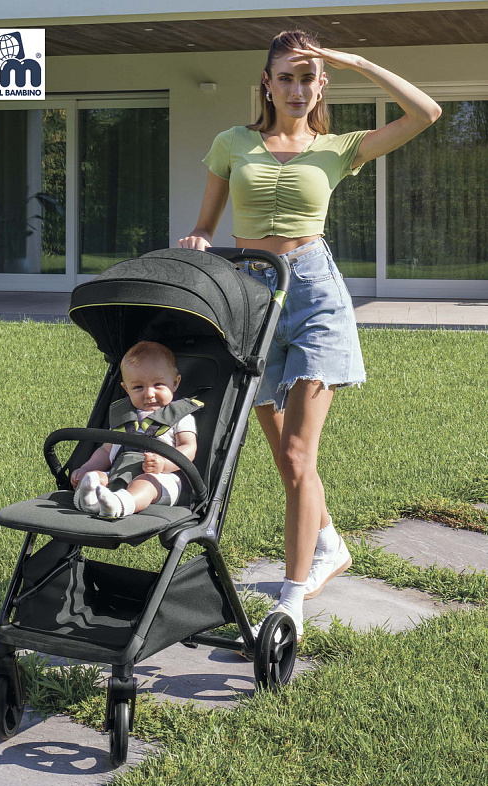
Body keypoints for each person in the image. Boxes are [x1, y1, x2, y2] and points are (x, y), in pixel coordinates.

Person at [179, 29, 441, 640]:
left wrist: (356, 59)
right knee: (281, 451)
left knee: (299, 454)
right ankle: (329, 543)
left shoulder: (338, 148)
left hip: (315, 294)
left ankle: (291, 600)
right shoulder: (232, 143)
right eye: (286, 77)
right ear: (267, 84)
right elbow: (205, 225)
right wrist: (197, 238)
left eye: (308, 78)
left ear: (321, 86)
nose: (297, 89)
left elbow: (426, 113)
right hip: (251, 296)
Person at [72, 341, 199, 519]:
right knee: (96, 477)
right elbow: (106, 451)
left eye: (158, 384)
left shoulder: (180, 417)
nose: (149, 394)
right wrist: (86, 468)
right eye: (138, 387)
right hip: (119, 474)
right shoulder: (123, 416)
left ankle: (120, 505)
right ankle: (90, 502)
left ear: (175, 383)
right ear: (126, 388)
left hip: (161, 479)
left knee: (145, 483)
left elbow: (188, 448)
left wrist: (164, 463)